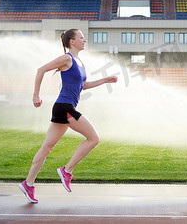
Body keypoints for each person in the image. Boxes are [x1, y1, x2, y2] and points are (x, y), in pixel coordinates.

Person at [19, 29, 117, 203]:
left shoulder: (79, 62)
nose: (84, 40)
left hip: (63, 108)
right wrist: (35, 95)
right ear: (72, 41)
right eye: (81, 37)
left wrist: (104, 80)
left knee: (47, 147)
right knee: (93, 139)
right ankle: (67, 170)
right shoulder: (66, 59)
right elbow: (41, 70)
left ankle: (28, 184)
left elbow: (84, 85)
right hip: (64, 107)